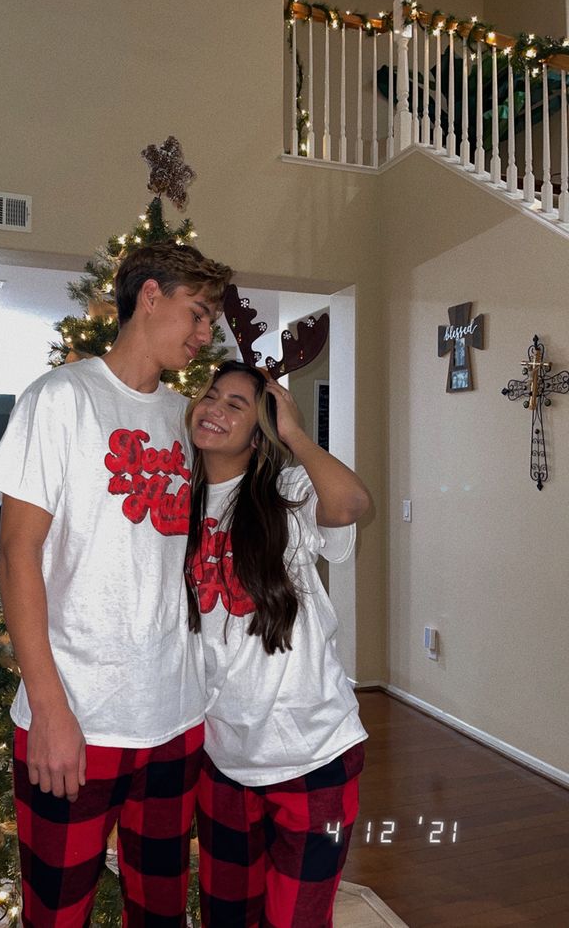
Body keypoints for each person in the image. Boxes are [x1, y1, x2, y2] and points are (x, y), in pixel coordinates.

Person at [0, 242, 233, 927]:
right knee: (57, 912)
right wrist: (50, 707)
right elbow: (17, 554)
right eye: (199, 313)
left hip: (174, 717)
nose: (206, 332)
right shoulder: (61, 399)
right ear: (150, 296)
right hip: (76, 718)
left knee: (161, 911)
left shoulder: (186, 419)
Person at [184, 360, 372, 928]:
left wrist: (295, 434)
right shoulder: (176, 505)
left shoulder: (286, 490)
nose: (215, 409)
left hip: (312, 751)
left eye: (236, 404)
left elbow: (349, 503)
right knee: (226, 915)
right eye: (211, 395)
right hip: (224, 756)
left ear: (260, 431)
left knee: (296, 920)